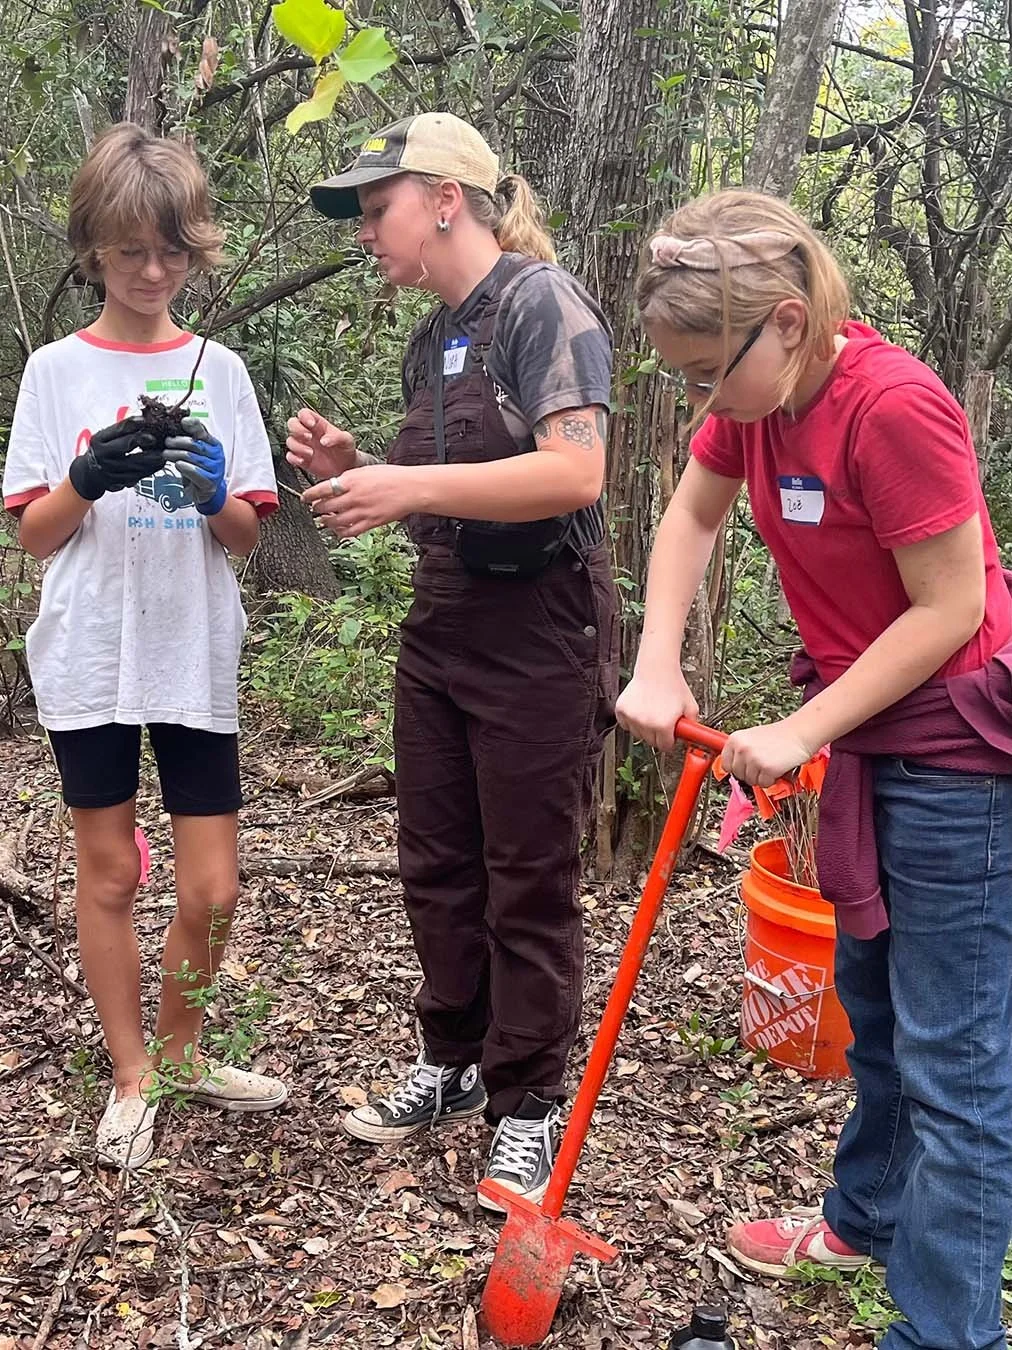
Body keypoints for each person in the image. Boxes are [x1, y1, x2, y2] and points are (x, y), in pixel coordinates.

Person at [617, 188, 1012, 1350]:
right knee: (878, 1014)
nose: (698, 397)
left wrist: (800, 733)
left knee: (960, 1066)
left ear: (785, 320)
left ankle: (946, 1334)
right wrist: (656, 664)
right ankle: (866, 1219)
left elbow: (948, 611)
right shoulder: (758, 402)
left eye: (705, 370)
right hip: (872, 736)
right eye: (680, 375)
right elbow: (691, 516)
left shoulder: (890, 409)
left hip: (958, 758)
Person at [286, 112, 617, 1209]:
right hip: (443, 622)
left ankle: (527, 1102)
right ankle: (453, 1061)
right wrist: (365, 470)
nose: (367, 233)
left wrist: (409, 487)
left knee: (527, 873)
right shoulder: (433, 337)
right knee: (437, 858)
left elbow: (573, 474)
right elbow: (454, 483)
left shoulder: (542, 302)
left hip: (538, 631)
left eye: (376, 209)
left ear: (442, 198)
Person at [3, 124, 285, 1170]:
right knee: (111, 871)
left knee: (212, 888)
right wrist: (87, 474)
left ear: (194, 248)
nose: (153, 271)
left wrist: (214, 491)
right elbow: (33, 532)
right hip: (89, 654)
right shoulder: (54, 371)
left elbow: (248, 533)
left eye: (171, 250)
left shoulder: (223, 367)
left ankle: (183, 1050)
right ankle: (132, 1075)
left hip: (192, 650)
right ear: (94, 252)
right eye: (131, 252)